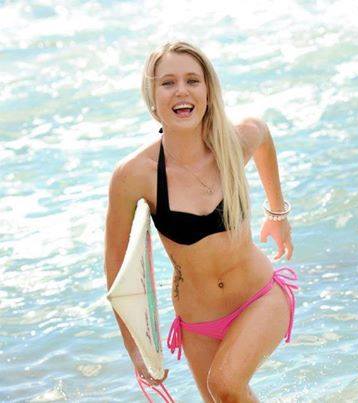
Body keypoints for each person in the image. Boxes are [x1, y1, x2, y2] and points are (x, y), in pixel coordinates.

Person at [104, 40, 298, 403]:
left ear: (208, 90)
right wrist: (135, 348)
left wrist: (277, 214)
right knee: (222, 394)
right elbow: (116, 265)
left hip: (258, 297)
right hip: (198, 322)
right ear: (152, 95)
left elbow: (262, 136)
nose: (182, 91)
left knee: (224, 384)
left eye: (192, 80)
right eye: (168, 83)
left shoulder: (233, 142)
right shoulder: (134, 175)